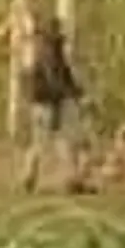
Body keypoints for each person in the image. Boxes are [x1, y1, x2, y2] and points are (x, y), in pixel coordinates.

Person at [20, 14, 84, 189]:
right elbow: (55, 79)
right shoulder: (49, 52)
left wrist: (75, 89)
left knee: (41, 142)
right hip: (48, 102)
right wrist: (71, 92)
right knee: (63, 139)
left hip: (44, 102)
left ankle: (29, 177)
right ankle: (71, 180)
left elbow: (65, 75)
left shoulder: (48, 50)